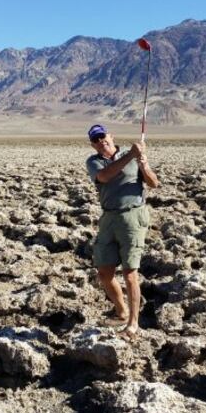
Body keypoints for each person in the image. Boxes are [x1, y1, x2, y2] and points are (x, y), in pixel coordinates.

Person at [86, 123, 159, 339]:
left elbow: (153, 183)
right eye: (96, 139)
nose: (101, 141)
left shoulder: (132, 156)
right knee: (104, 272)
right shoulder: (94, 162)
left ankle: (133, 324)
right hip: (109, 217)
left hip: (132, 217)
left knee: (130, 272)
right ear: (92, 144)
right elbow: (105, 177)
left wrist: (143, 164)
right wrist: (131, 156)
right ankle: (121, 311)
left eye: (103, 136)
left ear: (111, 136)